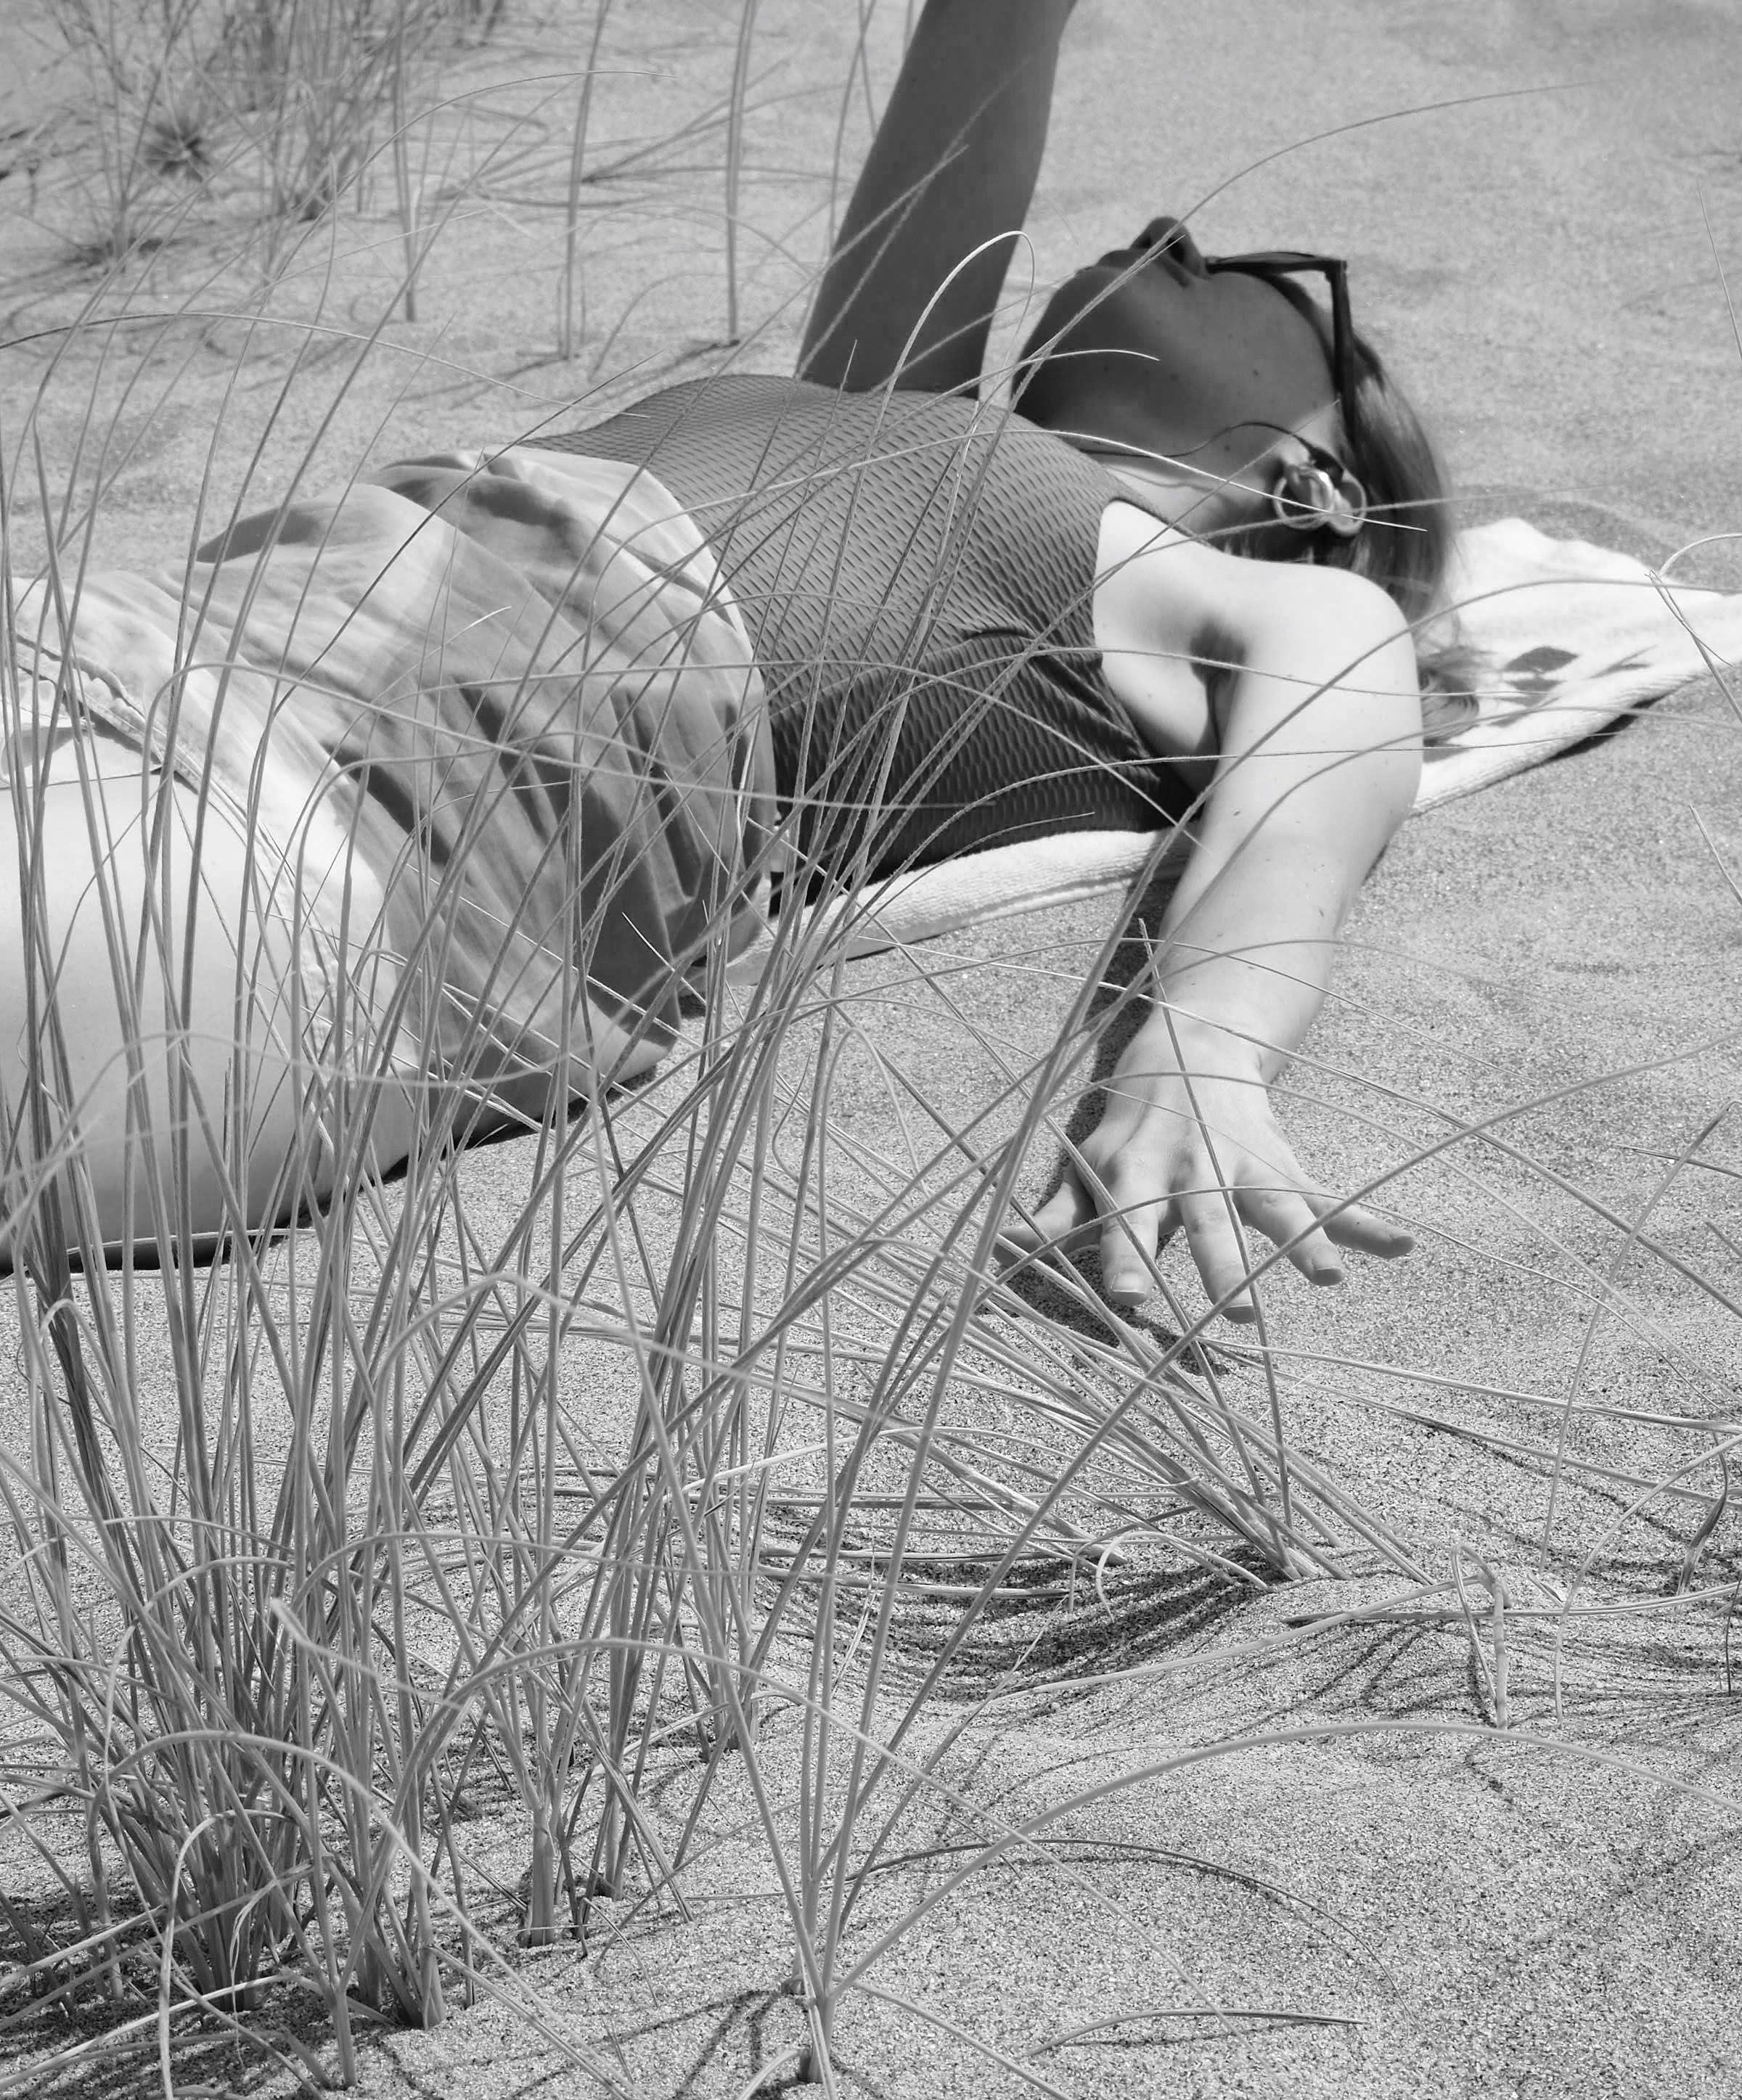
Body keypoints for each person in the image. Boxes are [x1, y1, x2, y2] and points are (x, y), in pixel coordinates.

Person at [0, 0, 1444, 1324]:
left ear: (1318, 488)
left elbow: (1339, 737)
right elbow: (978, 58)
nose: (1178, 241)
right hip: (124, 646)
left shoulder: (1181, 590)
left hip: (353, 839)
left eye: (1264, 283)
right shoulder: (900, 432)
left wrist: (1212, 1033)